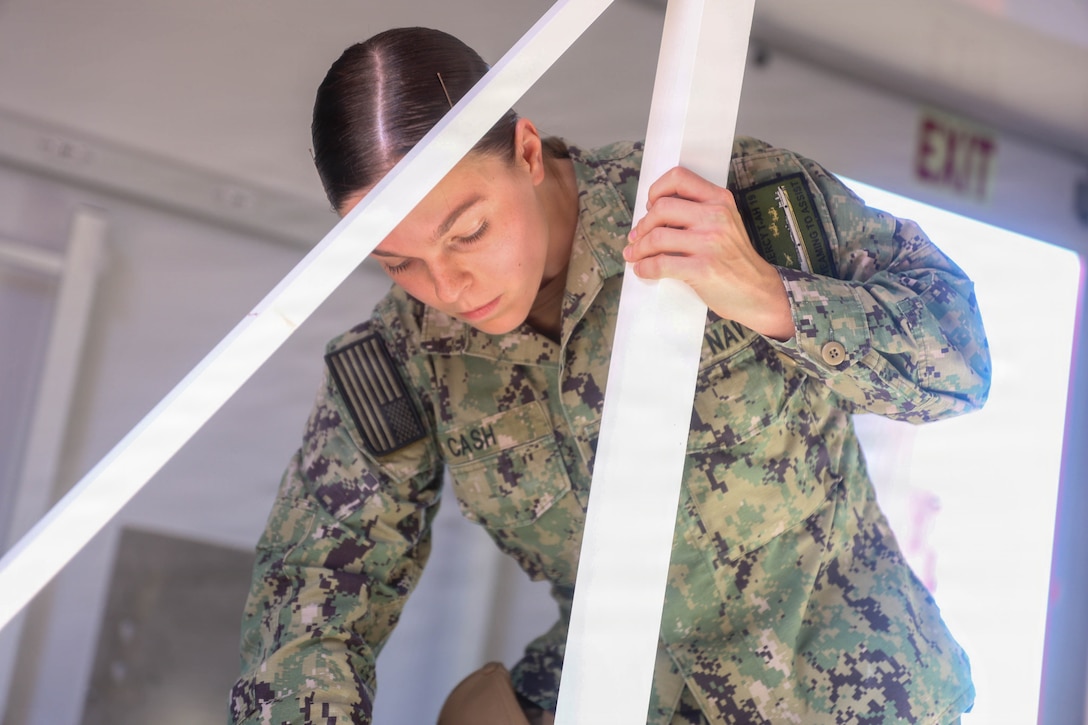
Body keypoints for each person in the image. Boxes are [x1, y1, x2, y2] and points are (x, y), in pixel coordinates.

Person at [230, 26, 990, 725]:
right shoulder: (404, 357)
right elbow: (313, 586)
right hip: (618, 692)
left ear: (528, 153)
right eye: (400, 263)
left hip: (848, 692)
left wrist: (770, 295)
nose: (449, 286)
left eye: (469, 231)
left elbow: (960, 365)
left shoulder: (724, 202)